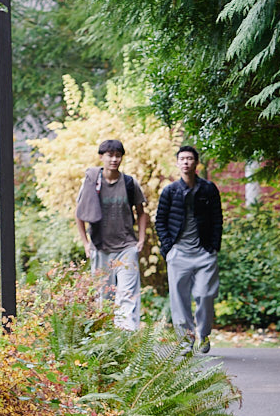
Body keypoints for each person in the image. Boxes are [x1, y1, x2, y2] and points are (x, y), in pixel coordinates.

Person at [72, 138, 149, 329]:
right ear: (101, 157)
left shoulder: (130, 183)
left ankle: (127, 339)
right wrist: (85, 243)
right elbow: (79, 214)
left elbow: (141, 213)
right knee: (102, 298)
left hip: (126, 247)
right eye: (110, 155)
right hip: (101, 248)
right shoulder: (91, 183)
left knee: (127, 296)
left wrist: (141, 240)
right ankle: (107, 343)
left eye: (118, 156)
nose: (114, 160)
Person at [156, 144, 223, 352]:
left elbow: (217, 219)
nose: (186, 162)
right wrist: (169, 248)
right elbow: (160, 221)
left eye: (190, 158)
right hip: (178, 254)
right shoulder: (170, 191)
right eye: (182, 158)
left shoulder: (208, 189)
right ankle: (185, 340)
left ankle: (204, 335)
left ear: (196, 163)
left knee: (204, 295)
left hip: (204, 252)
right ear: (177, 163)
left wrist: (213, 246)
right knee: (179, 299)